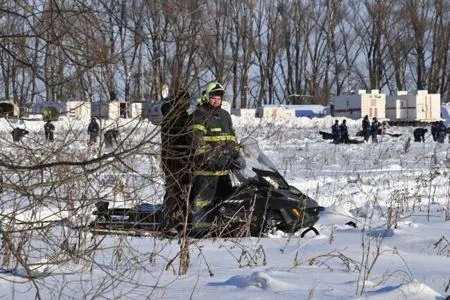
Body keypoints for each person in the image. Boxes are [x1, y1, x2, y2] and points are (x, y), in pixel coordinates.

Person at [187, 80, 240, 234]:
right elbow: (196, 143)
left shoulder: (224, 115)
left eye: (219, 97)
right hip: (206, 172)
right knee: (203, 204)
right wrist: (211, 160)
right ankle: (199, 233)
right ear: (206, 97)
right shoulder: (199, 115)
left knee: (224, 204)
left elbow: (231, 139)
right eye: (213, 97)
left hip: (223, 172)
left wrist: (236, 154)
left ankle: (221, 231)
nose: (216, 100)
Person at [159, 89, 193, 230]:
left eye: (186, 100)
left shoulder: (185, 116)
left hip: (184, 159)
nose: (184, 103)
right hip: (173, 159)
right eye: (181, 100)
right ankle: (168, 221)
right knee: (173, 189)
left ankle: (180, 217)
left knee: (184, 189)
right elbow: (173, 140)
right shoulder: (171, 116)